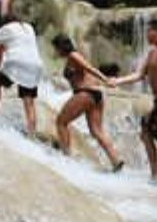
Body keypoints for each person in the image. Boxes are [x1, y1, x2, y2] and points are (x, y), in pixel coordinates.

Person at [111, 17, 157, 182]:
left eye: (148, 31)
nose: (146, 34)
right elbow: (139, 75)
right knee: (146, 132)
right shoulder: (151, 53)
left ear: (156, 31)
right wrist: (117, 81)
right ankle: (155, 175)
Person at [51, 34, 123, 172]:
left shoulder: (73, 56)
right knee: (96, 131)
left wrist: (106, 79)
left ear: (60, 47)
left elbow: (90, 68)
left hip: (85, 93)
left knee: (61, 122)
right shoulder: (73, 57)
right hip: (95, 94)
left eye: (55, 48)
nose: (55, 51)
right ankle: (116, 162)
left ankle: (66, 159)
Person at [0, 12, 43, 137]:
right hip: (35, 65)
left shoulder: (7, 28)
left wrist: (1, 46)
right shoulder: (28, 27)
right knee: (29, 100)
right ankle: (31, 133)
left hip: (16, 63)